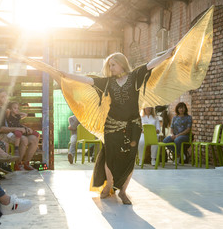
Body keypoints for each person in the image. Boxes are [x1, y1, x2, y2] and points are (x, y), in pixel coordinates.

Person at [39, 48, 175, 204]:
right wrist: (66, 75)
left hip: (133, 126)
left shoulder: (135, 76)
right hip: (111, 125)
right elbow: (86, 80)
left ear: (122, 64)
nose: (110, 68)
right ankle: (109, 185)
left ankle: (123, 191)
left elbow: (151, 65)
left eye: (113, 65)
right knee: (110, 156)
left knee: (130, 158)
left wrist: (167, 54)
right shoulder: (107, 82)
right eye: (109, 65)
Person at [0, 89, 39, 171]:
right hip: (3, 135)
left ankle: (26, 163)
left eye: (6, 96)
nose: (5, 98)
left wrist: (25, 128)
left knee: (34, 139)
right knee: (23, 139)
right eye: (2, 97)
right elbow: (1, 129)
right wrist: (18, 129)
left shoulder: (9, 107)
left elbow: (15, 121)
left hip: (14, 133)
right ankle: (18, 164)